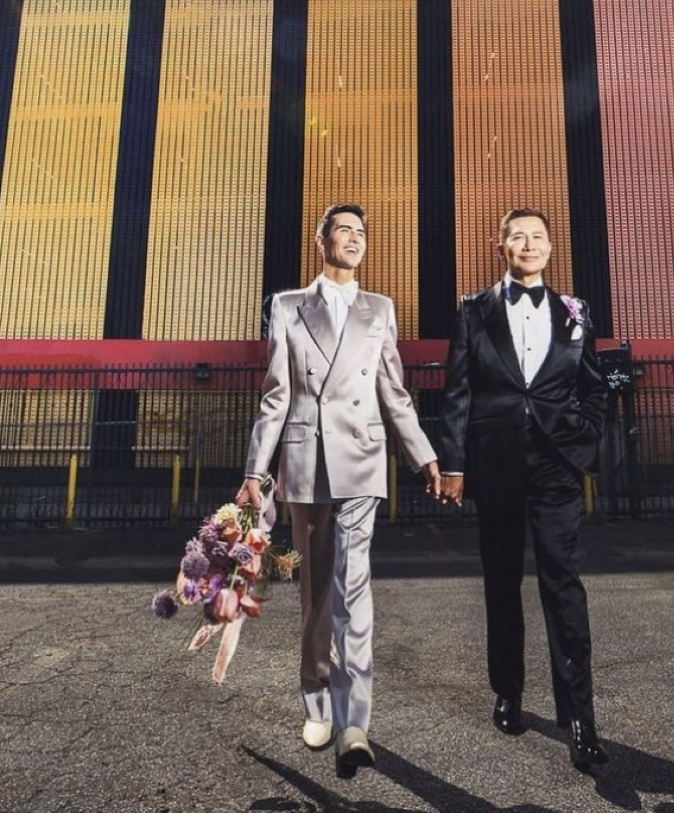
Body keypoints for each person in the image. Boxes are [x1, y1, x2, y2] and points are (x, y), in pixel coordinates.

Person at [237, 203, 440, 778]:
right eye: (343, 230)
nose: (354, 240)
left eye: (361, 233)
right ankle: (315, 693)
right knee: (315, 593)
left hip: (361, 460)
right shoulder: (286, 306)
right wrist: (256, 473)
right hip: (305, 462)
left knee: (354, 588)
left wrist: (423, 455)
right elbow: (277, 395)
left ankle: (355, 722)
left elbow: (393, 392)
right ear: (320, 239)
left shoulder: (380, 309)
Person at [436, 207, 610, 771]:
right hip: (496, 463)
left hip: (555, 466)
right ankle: (508, 691)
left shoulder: (575, 310)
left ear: (550, 248)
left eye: (538, 237)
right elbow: (458, 392)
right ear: (501, 246)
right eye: (519, 237)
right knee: (502, 582)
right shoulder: (473, 310)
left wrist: (583, 434)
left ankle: (579, 717)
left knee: (564, 586)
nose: (529, 244)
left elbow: (594, 387)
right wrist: (455, 466)